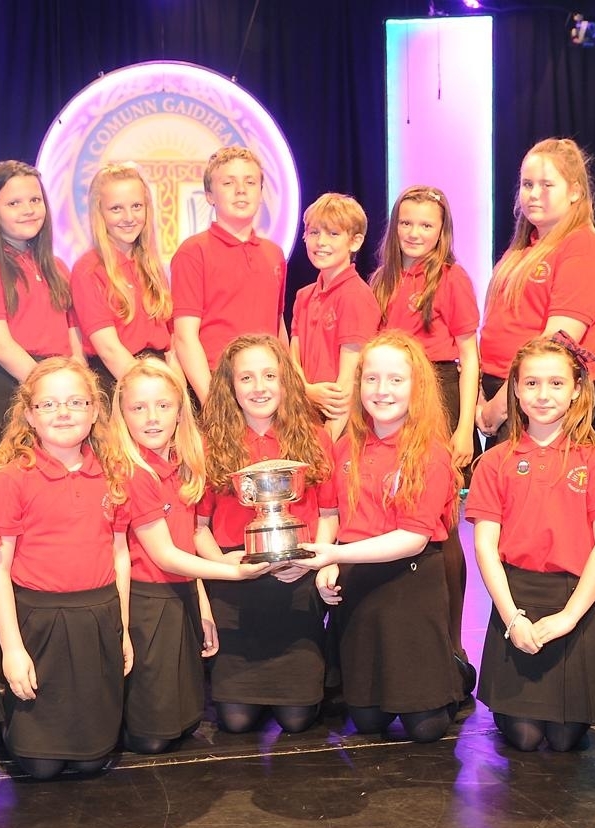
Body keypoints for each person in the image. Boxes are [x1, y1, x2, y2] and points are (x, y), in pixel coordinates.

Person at [293, 332, 464, 742]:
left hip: (410, 583)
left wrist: (330, 553)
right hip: (361, 583)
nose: (381, 390)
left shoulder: (430, 453)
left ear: (416, 388)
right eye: (371, 379)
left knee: (426, 730)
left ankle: (454, 675)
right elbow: (332, 514)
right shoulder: (345, 447)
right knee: (367, 722)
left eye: (395, 380)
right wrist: (329, 564)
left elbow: (412, 540)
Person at [467, 334, 595, 752]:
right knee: (523, 738)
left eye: (556, 384)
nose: (543, 395)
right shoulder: (494, 462)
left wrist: (570, 617)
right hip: (517, 601)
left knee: (564, 739)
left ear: (577, 389)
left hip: (575, 600)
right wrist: (512, 619)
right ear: (515, 390)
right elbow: (486, 548)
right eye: (532, 383)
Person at [110, 358, 269, 753]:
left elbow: (195, 533)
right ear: (122, 414)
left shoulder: (186, 463)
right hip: (147, 600)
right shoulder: (133, 471)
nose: (151, 418)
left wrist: (203, 600)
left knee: (184, 724)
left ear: (180, 411)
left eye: (163, 406)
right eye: (138, 408)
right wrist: (229, 573)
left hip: (181, 593)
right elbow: (164, 555)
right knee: (152, 737)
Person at [0, 358, 132, 779]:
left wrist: (120, 627)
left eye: (75, 402)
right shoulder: (11, 479)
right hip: (39, 622)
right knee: (41, 766)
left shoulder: (113, 472)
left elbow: (119, 553)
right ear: (29, 415)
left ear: (94, 410)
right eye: (48, 404)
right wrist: (12, 649)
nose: (63, 412)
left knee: (92, 761)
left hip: (98, 616)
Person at [369, 185, 481, 690]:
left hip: (440, 388)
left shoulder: (453, 279)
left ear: (442, 232)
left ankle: (452, 644)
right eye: (407, 223)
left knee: (442, 522)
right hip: (393, 390)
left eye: (427, 225)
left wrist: (464, 427)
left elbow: (469, 355)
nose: (416, 233)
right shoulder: (381, 280)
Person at [196, 335, 337, 734]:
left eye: (269, 375)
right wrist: (223, 567)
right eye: (246, 378)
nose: (259, 388)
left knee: (296, 720)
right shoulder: (209, 445)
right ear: (230, 386)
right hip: (235, 581)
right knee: (235, 721)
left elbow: (329, 513)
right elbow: (198, 526)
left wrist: (308, 560)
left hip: (297, 578)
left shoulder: (315, 437)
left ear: (286, 381)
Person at [477, 138, 595, 441]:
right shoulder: (525, 249)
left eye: (546, 185)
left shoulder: (583, 248)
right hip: (504, 391)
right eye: (527, 184)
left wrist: (500, 406)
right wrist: (480, 396)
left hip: (539, 396)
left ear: (575, 191)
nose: (534, 194)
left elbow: (559, 341)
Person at [0, 160, 78, 470]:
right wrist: (50, 391)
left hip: (50, 386)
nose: (28, 209)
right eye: (14, 203)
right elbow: (2, 346)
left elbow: (72, 339)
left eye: (35, 200)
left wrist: (76, 387)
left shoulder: (56, 267)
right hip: (1, 386)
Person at [170, 146, 288, 402]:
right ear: (210, 195)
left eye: (250, 181)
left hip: (266, 388)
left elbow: (278, 326)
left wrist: (286, 386)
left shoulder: (274, 254)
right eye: (228, 182)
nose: (241, 190)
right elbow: (184, 336)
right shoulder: (193, 252)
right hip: (217, 385)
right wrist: (211, 399)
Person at [70, 163, 174, 391]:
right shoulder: (88, 269)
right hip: (119, 383)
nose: (129, 217)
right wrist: (149, 393)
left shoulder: (152, 267)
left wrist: (177, 393)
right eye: (116, 209)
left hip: (158, 377)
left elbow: (170, 345)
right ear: (100, 214)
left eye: (136, 206)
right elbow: (108, 350)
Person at [290, 192, 377, 439]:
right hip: (304, 416)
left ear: (355, 241)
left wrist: (328, 439)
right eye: (314, 233)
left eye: (333, 234)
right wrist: (306, 390)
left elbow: (348, 381)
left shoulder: (355, 295)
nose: (321, 242)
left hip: (341, 426)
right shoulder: (304, 296)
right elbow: (293, 359)